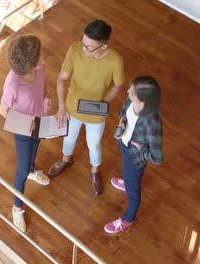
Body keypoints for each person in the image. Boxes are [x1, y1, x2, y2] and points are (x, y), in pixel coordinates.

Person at [48, 19, 125, 195]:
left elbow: (118, 84)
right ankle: (66, 160)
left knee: (94, 145)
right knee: (68, 138)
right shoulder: (75, 49)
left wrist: (105, 101)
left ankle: (94, 172)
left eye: (89, 47)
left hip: (95, 113)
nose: (83, 49)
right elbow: (61, 78)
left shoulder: (115, 61)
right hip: (72, 108)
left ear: (104, 46)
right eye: (83, 43)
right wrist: (61, 107)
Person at [0, 35, 52, 232]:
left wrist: (45, 97)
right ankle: (17, 207)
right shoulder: (13, 83)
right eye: (40, 57)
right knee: (20, 169)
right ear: (29, 64)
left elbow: (42, 86)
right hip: (22, 129)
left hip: (39, 119)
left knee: (36, 146)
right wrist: (26, 125)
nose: (44, 58)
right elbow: (3, 111)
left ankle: (32, 170)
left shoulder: (39, 67)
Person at [104, 76, 163, 234]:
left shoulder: (153, 122)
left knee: (134, 193)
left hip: (135, 156)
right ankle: (129, 182)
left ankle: (127, 219)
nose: (128, 91)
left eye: (132, 90)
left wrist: (141, 150)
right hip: (124, 143)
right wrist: (121, 122)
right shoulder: (131, 101)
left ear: (142, 98)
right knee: (130, 174)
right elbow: (124, 111)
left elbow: (157, 158)